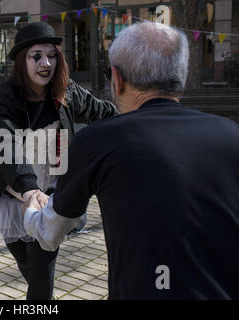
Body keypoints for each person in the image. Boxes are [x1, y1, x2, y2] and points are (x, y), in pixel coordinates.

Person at [22, 22, 239, 299]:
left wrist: (29, 209)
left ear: (117, 79)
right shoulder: (231, 135)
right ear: (180, 79)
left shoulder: (97, 141)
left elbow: (49, 232)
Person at [0, 22, 118, 300]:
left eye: (52, 55)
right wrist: (28, 188)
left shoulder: (66, 91)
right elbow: (6, 144)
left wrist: (136, 118)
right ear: (21, 60)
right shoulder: (5, 99)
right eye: (36, 56)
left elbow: (101, 111)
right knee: (28, 265)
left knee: (42, 274)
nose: (46, 63)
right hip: (12, 193)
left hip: (51, 195)